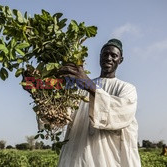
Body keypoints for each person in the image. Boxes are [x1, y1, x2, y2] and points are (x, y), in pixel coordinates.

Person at [57, 39, 141, 167]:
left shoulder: (126, 88)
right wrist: (37, 91)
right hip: (77, 159)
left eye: (114, 55)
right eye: (105, 54)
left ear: (121, 60)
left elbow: (122, 113)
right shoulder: (80, 86)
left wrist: (89, 85)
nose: (108, 58)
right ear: (100, 57)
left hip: (110, 160)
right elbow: (62, 115)